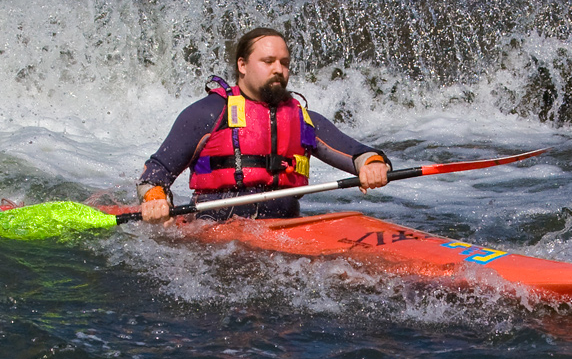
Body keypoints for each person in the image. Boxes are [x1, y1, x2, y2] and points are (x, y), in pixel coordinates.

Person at [137, 27, 390, 223]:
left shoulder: (302, 119)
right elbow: (155, 174)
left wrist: (373, 165)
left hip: (285, 228)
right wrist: (154, 198)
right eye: (268, 62)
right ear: (242, 65)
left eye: (284, 63)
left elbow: (359, 154)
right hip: (217, 233)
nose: (279, 69)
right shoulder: (207, 113)